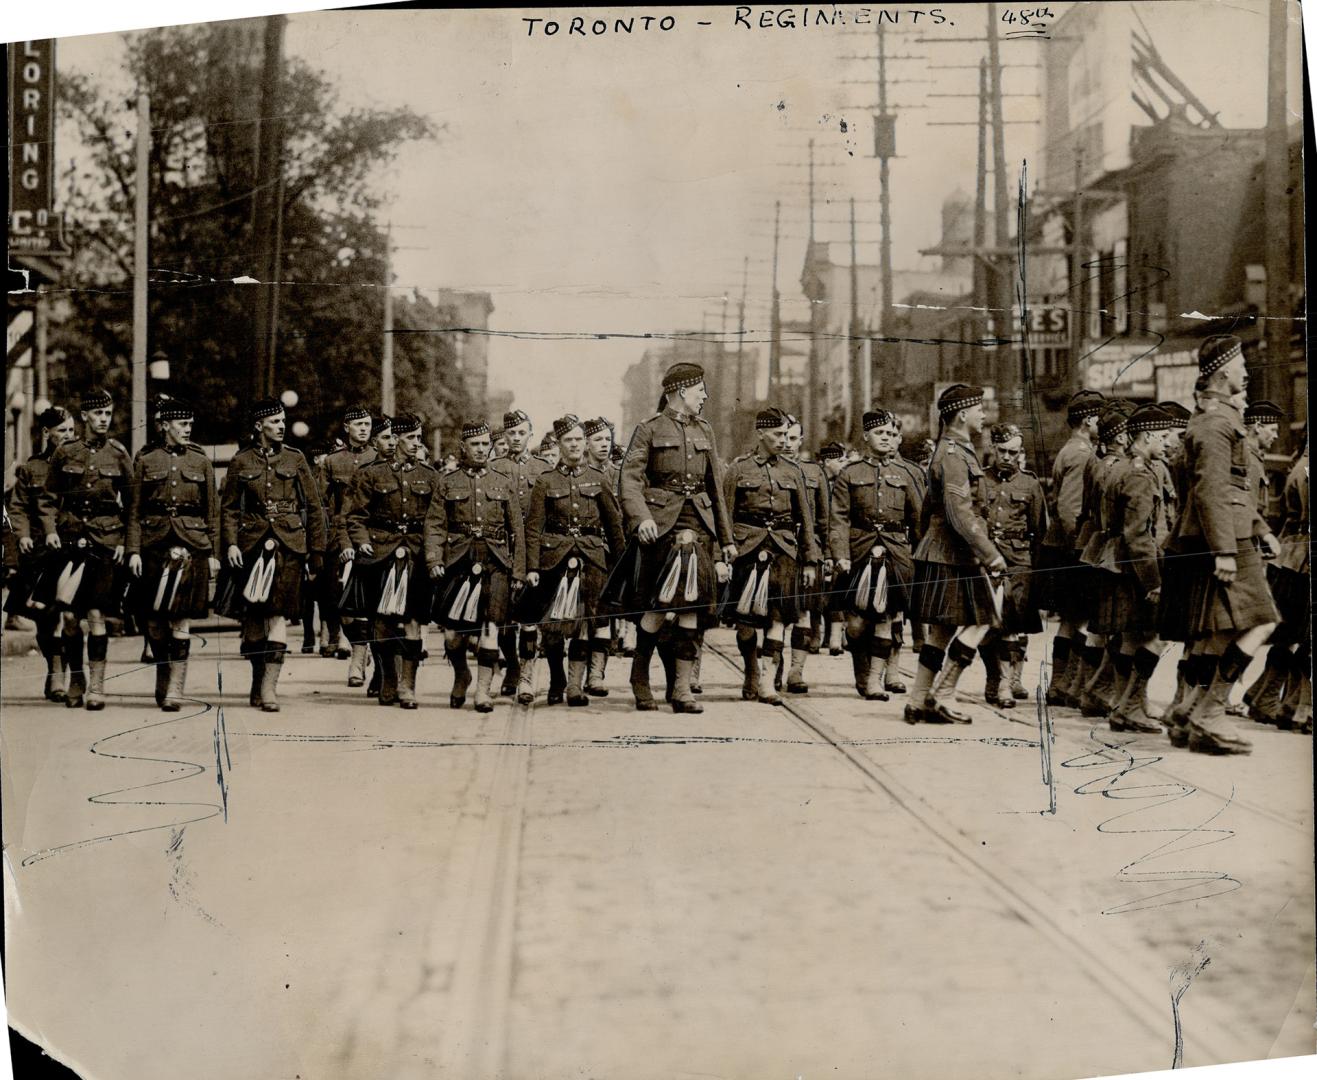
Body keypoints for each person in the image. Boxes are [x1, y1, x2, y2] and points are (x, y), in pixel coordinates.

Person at [1166, 335, 1281, 754]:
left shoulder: (1213, 420)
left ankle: (1188, 712)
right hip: (1226, 538)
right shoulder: (1217, 424)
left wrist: (1261, 529)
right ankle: (1211, 712)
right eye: (1241, 366)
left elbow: (1233, 489)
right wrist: (1226, 550)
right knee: (1262, 621)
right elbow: (1211, 490)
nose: (1247, 372)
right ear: (1221, 373)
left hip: (1227, 531)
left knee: (1216, 632)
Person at [610, 362, 735, 713]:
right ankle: (640, 677)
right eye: (700, 392)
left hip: (699, 525)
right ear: (681, 391)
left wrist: (725, 539)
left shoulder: (705, 430)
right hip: (661, 526)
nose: (705, 397)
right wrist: (641, 519)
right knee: (657, 605)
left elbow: (717, 489)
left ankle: (681, 689)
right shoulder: (648, 428)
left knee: (692, 608)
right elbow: (630, 481)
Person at [218, 398, 328, 712]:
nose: (281, 426)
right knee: (253, 619)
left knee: (278, 614)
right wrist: (231, 545)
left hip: (289, 547)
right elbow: (227, 510)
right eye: (275, 422)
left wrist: (316, 550)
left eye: (283, 421)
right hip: (251, 546)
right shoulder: (241, 461)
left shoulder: (296, 459)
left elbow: (314, 508)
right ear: (258, 426)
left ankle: (269, 690)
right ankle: (257, 680)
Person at [905, 384, 1006, 725]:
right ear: (962, 414)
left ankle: (918, 700)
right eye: (979, 408)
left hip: (944, 551)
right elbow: (959, 513)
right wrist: (991, 555)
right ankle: (943, 694)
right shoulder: (953, 454)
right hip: (953, 552)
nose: (983, 414)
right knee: (983, 620)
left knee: (941, 631)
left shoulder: (957, 450)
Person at [35, 388, 135, 710]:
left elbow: (133, 507)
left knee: (96, 615)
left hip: (104, 542)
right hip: (69, 541)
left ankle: (98, 687)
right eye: (98, 414)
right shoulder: (65, 453)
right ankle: (76, 679)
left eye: (108, 414)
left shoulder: (119, 454)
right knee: (68, 617)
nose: (104, 419)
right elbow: (48, 499)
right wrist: (50, 530)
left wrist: (124, 543)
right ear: (85, 418)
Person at [523, 415, 626, 706]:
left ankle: (575, 687)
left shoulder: (598, 478)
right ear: (559, 444)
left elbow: (614, 525)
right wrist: (532, 568)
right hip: (554, 559)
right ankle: (557, 679)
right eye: (568, 440)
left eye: (579, 439)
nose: (575, 445)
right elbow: (533, 529)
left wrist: (620, 566)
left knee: (583, 623)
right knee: (554, 626)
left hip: (591, 559)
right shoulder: (545, 481)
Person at [125, 399, 221, 711]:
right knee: (153, 620)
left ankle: (175, 690)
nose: (187, 429)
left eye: (190, 424)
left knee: (181, 620)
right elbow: (134, 510)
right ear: (165, 425)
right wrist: (133, 550)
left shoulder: (200, 460)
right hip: (153, 544)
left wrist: (213, 553)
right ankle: (163, 674)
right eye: (181, 424)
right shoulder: (146, 459)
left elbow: (213, 513)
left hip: (192, 544)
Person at [721, 407, 819, 705]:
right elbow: (724, 515)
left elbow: (806, 518)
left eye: (784, 434)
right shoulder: (738, 470)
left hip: (784, 552)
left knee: (779, 618)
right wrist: (722, 553)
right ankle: (751, 669)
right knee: (746, 621)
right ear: (760, 433)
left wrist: (810, 560)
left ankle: (766, 681)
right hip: (747, 550)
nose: (781, 440)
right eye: (776, 434)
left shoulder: (793, 471)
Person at [426, 419, 525, 712]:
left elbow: (517, 531)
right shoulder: (447, 482)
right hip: (458, 562)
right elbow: (434, 525)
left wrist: (517, 571)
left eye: (485, 444)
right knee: (453, 636)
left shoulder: (503, 483)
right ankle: (461, 675)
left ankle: (483, 691)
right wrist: (434, 559)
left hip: (495, 562)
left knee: (490, 626)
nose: (481, 449)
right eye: (475, 445)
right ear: (463, 448)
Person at [1093, 404, 1179, 733]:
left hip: (1114, 561)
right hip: (1135, 567)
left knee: (1129, 639)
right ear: (1146, 437)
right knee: (1153, 638)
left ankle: (1126, 703)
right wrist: (1153, 581)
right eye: (1162, 436)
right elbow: (1139, 534)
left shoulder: (1119, 467)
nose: (1167, 441)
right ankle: (1129, 706)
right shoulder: (1141, 475)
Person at [342, 413, 437, 709]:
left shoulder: (429, 475)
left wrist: (434, 554)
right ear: (395, 439)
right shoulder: (371, 474)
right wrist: (363, 542)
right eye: (410, 438)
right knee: (382, 621)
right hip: (381, 554)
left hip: (416, 555)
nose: (415, 443)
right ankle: (388, 680)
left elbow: (437, 521)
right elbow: (355, 517)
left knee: (411, 620)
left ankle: (408, 687)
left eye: (418, 438)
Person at [830, 409, 922, 702]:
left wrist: (919, 557)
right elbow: (839, 519)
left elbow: (918, 518)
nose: (885, 439)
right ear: (866, 437)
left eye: (889, 433)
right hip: (859, 552)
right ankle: (861, 667)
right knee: (857, 624)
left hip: (896, 552)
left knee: (886, 617)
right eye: (879, 433)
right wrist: (841, 554)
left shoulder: (906, 474)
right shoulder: (850, 473)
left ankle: (873, 681)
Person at [1037, 389, 1104, 707]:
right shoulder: (1082, 454)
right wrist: (1081, 549)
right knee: (1079, 618)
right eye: (1099, 418)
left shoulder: (1072, 449)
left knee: (1070, 619)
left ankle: (1060, 684)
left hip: (1062, 546)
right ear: (1089, 420)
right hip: (1073, 547)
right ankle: (1065, 685)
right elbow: (1069, 509)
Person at [6, 406, 78, 701]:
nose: (68, 436)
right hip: (39, 550)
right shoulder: (31, 469)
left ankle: (73, 675)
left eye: (72, 431)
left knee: (70, 614)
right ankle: (55, 667)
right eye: (62, 431)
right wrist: (21, 535)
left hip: (72, 546)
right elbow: (18, 507)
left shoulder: (82, 462)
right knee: (47, 617)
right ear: (47, 433)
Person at [1072, 400, 1136, 717]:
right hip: (1112, 551)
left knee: (1101, 626)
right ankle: (1095, 690)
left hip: (1096, 549)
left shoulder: (1097, 465)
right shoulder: (1115, 468)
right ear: (1122, 437)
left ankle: (1085, 687)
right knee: (1112, 627)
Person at [976, 423, 1046, 709]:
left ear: (1021, 453)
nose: (1007, 456)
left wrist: (1039, 574)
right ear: (993, 449)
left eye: (1013, 452)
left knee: (1012, 623)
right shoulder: (980, 480)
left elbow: (1040, 529)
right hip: (988, 558)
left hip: (1019, 561)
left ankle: (1006, 682)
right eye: (1002, 451)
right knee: (985, 626)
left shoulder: (1030, 484)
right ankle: (994, 676)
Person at [492, 409, 552, 702]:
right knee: (502, 616)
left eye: (521, 433)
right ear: (504, 436)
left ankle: (527, 673)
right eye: (511, 433)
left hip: (532, 550)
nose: (516, 438)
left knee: (529, 616)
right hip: (501, 549)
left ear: (531, 435)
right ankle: (512, 666)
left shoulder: (542, 470)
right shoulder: (494, 467)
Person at [318, 405, 378, 686]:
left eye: (367, 424)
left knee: (371, 605)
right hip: (339, 541)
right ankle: (357, 647)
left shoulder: (379, 459)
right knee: (340, 605)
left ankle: (360, 658)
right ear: (347, 428)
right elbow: (321, 505)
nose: (364, 429)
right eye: (358, 424)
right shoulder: (332, 462)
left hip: (371, 539)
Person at [780, 416, 829, 693]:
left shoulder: (815, 473)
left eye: (793, 438)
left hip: (806, 552)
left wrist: (826, 555)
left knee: (803, 614)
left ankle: (796, 671)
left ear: (801, 441)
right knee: (772, 613)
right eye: (783, 436)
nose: (787, 444)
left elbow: (824, 519)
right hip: (777, 549)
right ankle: (772, 666)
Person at [581, 416, 621, 695]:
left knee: (604, 615)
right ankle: (575, 676)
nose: (604, 444)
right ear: (586, 443)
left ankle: (596, 674)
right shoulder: (578, 474)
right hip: (584, 551)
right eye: (598, 439)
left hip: (613, 553)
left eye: (608, 439)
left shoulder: (620, 475)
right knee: (581, 615)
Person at [816, 441, 849, 654]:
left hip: (837, 540)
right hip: (820, 541)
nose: (844, 464)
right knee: (819, 591)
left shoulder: (843, 483)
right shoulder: (819, 482)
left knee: (838, 588)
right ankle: (816, 634)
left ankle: (836, 636)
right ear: (828, 461)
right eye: (840, 460)